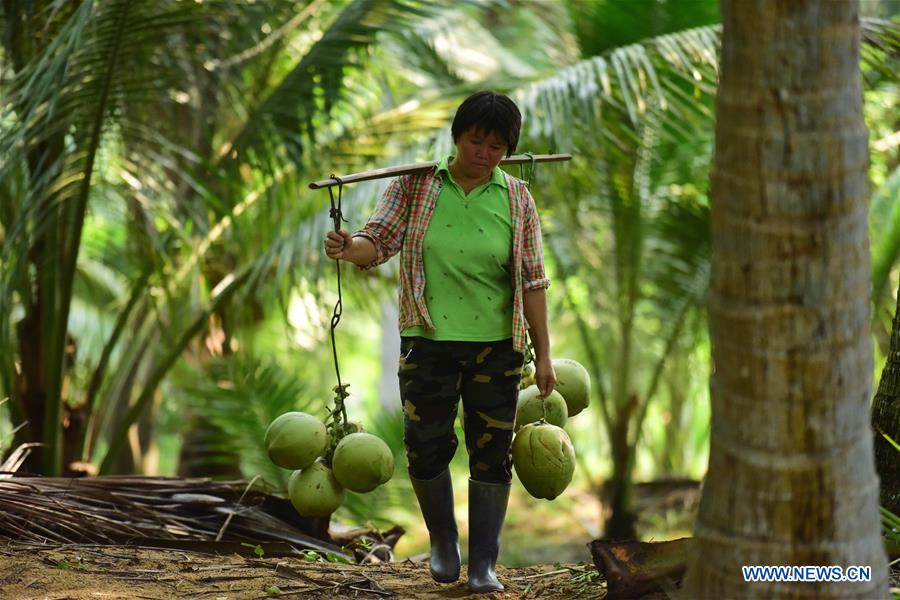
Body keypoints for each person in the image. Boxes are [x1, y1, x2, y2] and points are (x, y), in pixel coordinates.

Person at [323, 90, 555, 593]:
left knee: (492, 451)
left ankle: (484, 565)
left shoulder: (517, 198)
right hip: (427, 342)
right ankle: (443, 542)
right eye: (475, 141)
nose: (484, 154)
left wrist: (545, 356)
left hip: (497, 346)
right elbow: (377, 242)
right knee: (426, 447)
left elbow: (534, 281)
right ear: (457, 137)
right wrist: (348, 250)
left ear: (508, 149)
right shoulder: (416, 185)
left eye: (496, 146)